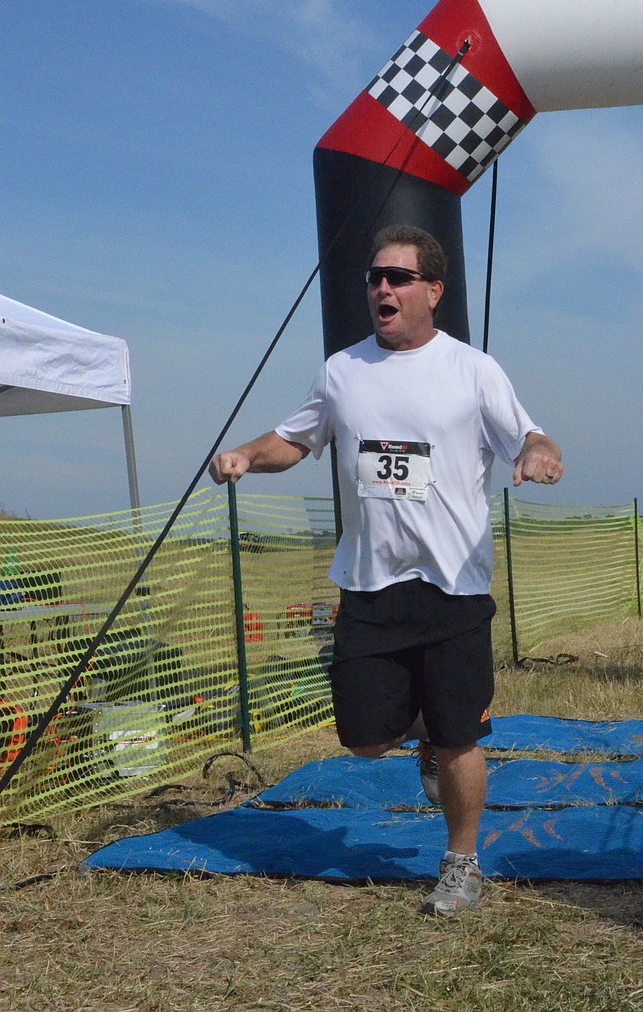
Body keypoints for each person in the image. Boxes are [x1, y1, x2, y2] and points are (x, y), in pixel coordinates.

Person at [209, 225, 563, 915]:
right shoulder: (344, 370)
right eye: (375, 277)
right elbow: (295, 437)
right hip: (369, 582)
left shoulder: (472, 368)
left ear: (433, 289)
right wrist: (248, 454)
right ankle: (422, 742)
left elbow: (529, 431)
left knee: (462, 734)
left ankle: (462, 863)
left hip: (453, 582)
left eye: (398, 277)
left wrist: (541, 453)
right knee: (365, 740)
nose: (382, 288)